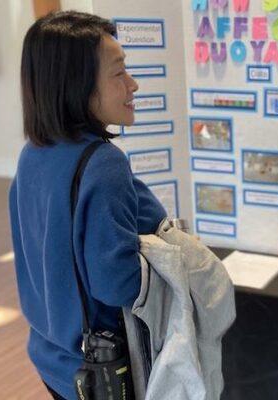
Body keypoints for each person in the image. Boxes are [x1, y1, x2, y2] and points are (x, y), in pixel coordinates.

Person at [9, 11, 167, 399]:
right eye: (118, 73)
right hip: (104, 367)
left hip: (52, 355)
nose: (133, 84)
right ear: (77, 85)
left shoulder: (35, 153)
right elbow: (120, 285)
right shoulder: (103, 163)